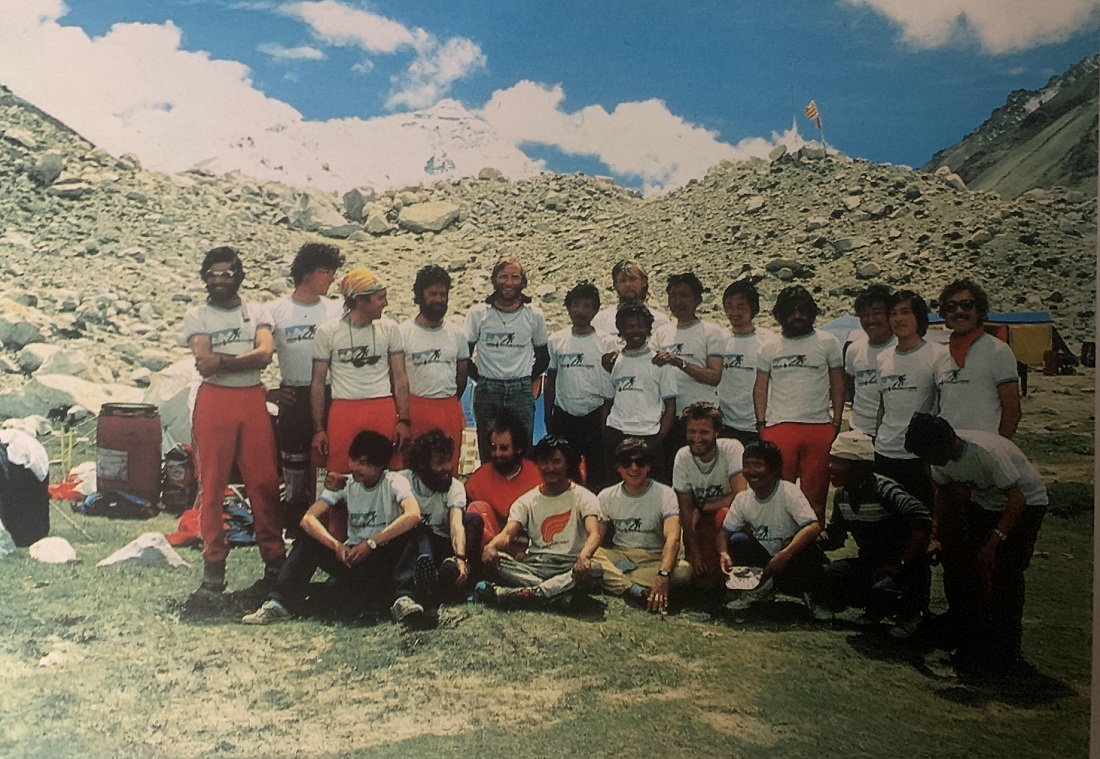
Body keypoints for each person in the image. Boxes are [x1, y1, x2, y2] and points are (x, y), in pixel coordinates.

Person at [904, 413, 1048, 673]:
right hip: (986, 503)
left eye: (929, 457)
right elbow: (943, 496)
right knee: (966, 571)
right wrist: (937, 537)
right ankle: (973, 644)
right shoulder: (939, 458)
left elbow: (1017, 501)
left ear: (945, 445)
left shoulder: (986, 452)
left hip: (1026, 504)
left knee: (1006, 575)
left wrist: (992, 544)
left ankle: (1007, 654)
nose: (928, 463)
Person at [242, 431, 430, 627]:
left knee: (411, 532)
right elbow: (308, 519)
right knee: (308, 539)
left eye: (364, 463)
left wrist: (372, 543)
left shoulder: (393, 481)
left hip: (382, 560)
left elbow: (413, 514)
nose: (356, 467)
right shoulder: (346, 483)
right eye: (353, 460)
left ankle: (403, 599)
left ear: (380, 466)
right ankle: (279, 603)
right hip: (352, 559)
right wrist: (336, 546)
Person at [183, 246, 285, 597]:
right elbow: (203, 361)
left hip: (251, 399)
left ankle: (275, 563)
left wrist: (225, 361)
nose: (220, 280)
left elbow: (265, 354)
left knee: (264, 482)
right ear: (205, 278)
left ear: (238, 275)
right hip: (214, 402)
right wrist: (243, 360)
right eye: (213, 274)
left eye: (227, 273)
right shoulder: (197, 315)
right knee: (211, 487)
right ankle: (214, 568)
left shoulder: (257, 310)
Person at [819, 431, 932, 638]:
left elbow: (921, 516)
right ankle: (876, 608)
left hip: (903, 565)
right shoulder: (842, 496)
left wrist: (901, 563)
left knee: (884, 588)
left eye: (838, 462)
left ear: (858, 468)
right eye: (831, 461)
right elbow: (835, 536)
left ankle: (909, 614)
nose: (830, 468)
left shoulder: (884, 489)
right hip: (870, 562)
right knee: (827, 574)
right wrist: (811, 541)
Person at [267, 242, 344, 533]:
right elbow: (254, 352)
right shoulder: (276, 310)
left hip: (330, 392)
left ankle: (327, 524)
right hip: (293, 394)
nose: (332, 278)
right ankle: (294, 526)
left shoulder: (335, 309)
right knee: (294, 466)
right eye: (327, 271)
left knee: (328, 461)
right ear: (308, 273)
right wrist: (268, 392)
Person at [476, 436, 603, 609]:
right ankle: (558, 596)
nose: (549, 468)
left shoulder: (584, 497)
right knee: (497, 560)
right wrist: (490, 547)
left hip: (570, 566)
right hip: (535, 566)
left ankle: (525, 594)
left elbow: (594, 534)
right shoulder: (526, 501)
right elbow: (507, 534)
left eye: (556, 462)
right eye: (544, 462)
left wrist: (584, 556)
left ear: (567, 464)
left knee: (595, 569)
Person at [753, 285, 844, 522]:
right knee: (779, 494)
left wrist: (835, 421)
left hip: (818, 427)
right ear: (780, 314)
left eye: (803, 310)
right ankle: (780, 547)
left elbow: (838, 383)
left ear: (812, 312)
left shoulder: (828, 342)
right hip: (779, 427)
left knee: (816, 495)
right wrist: (762, 425)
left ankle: (811, 548)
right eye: (790, 311)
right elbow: (760, 388)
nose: (797, 316)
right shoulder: (769, 345)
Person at [311, 267, 410, 477]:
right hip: (344, 409)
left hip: (382, 406)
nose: (386, 303)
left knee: (388, 473)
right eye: (380, 298)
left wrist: (404, 420)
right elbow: (318, 382)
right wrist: (319, 428)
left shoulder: (390, 328)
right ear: (360, 301)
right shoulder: (328, 332)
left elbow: (400, 378)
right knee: (340, 473)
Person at [717, 441, 826, 616]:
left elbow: (814, 527)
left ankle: (812, 596)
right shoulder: (743, 499)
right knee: (737, 540)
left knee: (808, 547)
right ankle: (758, 591)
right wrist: (723, 553)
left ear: (774, 470)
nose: (751, 471)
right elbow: (724, 533)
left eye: (758, 465)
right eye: (746, 465)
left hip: (791, 559)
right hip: (764, 562)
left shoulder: (787, 491)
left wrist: (785, 554)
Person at [592, 438, 692, 612]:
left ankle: (616, 582)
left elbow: (673, 538)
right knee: (588, 555)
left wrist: (663, 575)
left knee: (684, 571)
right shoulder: (606, 496)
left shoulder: (665, 494)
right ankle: (634, 589)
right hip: (620, 557)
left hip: (653, 559)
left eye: (640, 462)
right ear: (618, 467)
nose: (634, 468)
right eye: (626, 463)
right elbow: (596, 538)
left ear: (648, 466)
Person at [465, 256, 550, 462]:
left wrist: (526, 380)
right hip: (487, 391)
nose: (509, 282)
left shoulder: (534, 315)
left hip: (520, 392)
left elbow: (543, 356)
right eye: (503, 276)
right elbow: (464, 354)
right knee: (489, 450)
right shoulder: (478, 314)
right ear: (494, 280)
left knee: (522, 449)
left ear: (523, 281)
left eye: (515, 277)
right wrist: (482, 377)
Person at [874, 290, 951, 506]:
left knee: (920, 520)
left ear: (918, 317)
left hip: (919, 456)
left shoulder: (938, 354)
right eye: (893, 313)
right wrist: (878, 437)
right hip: (885, 452)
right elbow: (883, 406)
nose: (899, 319)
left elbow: (945, 402)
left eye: (905, 312)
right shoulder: (883, 358)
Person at [545, 282, 616, 490]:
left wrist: (606, 415)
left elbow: (613, 382)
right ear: (568, 308)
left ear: (595, 310)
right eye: (575, 305)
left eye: (587, 306)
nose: (580, 311)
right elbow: (550, 380)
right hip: (565, 415)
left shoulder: (606, 342)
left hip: (595, 415)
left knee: (597, 471)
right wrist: (548, 415)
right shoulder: (557, 340)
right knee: (567, 472)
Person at [399, 265, 469, 473]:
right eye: (432, 294)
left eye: (443, 294)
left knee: (446, 469)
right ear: (420, 295)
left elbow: (462, 378)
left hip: (448, 408)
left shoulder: (457, 334)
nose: (438, 299)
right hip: (415, 409)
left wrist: (449, 403)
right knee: (414, 469)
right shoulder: (403, 332)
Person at [398, 430, 481, 601]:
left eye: (448, 461)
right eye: (439, 463)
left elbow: (456, 524)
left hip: (443, 543)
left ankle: (456, 574)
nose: (447, 468)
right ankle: (421, 581)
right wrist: (342, 480)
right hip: (414, 547)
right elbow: (369, 479)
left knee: (473, 520)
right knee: (416, 525)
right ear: (422, 467)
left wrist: (460, 557)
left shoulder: (454, 486)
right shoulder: (402, 481)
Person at [672, 402, 747, 589]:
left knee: (724, 515)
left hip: (731, 517)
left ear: (717, 431)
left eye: (704, 432)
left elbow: (741, 495)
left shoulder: (732, 448)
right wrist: (694, 551)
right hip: (703, 521)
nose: (697, 438)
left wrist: (705, 507)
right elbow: (685, 509)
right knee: (701, 578)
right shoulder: (682, 457)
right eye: (692, 431)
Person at [652, 272, 725, 461]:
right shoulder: (661, 333)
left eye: (684, 295)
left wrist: (680, 362)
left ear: (698, 299)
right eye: (673, 296)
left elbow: (714, 376)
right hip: (670, 416)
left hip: (701, 417)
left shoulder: (711, 332)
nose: (677, 301)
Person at [936, 278, 1021, 439]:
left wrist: (999, 448)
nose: (959, 311)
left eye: (966, 305)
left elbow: (1012, 411)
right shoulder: (940, 354)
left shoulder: (998, 351)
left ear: (979, 310)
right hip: (947, 450)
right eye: (951, 307)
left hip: (985, 449)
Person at [602, 303, 677, 482]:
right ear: (620, 330)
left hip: (649, 436)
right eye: (629, 326)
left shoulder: (659, 361)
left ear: (648, 328)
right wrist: (606, 433)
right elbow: (607, 402)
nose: (635, 330)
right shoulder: (613, 361)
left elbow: (670, 406)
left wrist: (658, 439)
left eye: (640, 325)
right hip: (618, 433)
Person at [464, 411, 543, 546]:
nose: (497, 454)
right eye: (494, 448)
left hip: (528, 546)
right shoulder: (480, 477)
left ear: (518, 449)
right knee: (476, 508)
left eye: (504, 448)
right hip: (491, 550)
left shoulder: (537, 475)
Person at [716, 278, 776, 445]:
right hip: (726, 424)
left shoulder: (769, 340)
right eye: (729, 306)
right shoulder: (718, 339)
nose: (734, 312)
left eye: (741, 306)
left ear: (753, 308)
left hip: (759, 424)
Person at [844, 284, 895, 437]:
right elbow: (851, 387)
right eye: (865, 315)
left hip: (894, 433)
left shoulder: (902, 347)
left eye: (877, 313)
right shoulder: (854, 350)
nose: (871, 320)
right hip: (859, 431)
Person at [591, 259, 672, 340]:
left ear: (643, 282)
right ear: (616, 285)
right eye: (623, 281)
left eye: (633, 279)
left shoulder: (660, 321)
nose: (628, 285)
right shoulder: (601, 321)